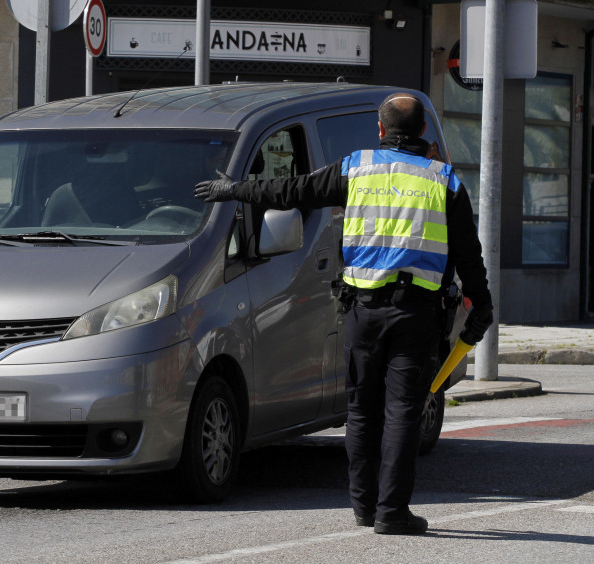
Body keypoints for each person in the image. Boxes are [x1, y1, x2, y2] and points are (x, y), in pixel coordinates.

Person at [194, 93, 494, 535]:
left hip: (363, 314)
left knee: (362, 411)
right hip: (416, 317)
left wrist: (233, 190)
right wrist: (481, 306)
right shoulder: (445, 181)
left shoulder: (356, 168)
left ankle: (363, 508)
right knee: (403, 413)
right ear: (423, 132)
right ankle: (392, 513)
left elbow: (292, 191)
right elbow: (469, 255)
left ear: (380, 129)